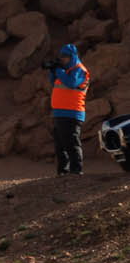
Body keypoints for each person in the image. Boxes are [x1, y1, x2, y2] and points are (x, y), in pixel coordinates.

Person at [48, 43, 90, 176]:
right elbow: (52, 82)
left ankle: (76, 171)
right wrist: (52, 70)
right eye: (61, 57)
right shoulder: (64, 71)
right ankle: (62, 172)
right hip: (59, 113)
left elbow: (71, 83)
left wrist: (58, 71)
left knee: (72, 143)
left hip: (72, 113)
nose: (62, 59)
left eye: (65, 57)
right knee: (60, 146)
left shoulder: (79, 70)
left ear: (72, 57)